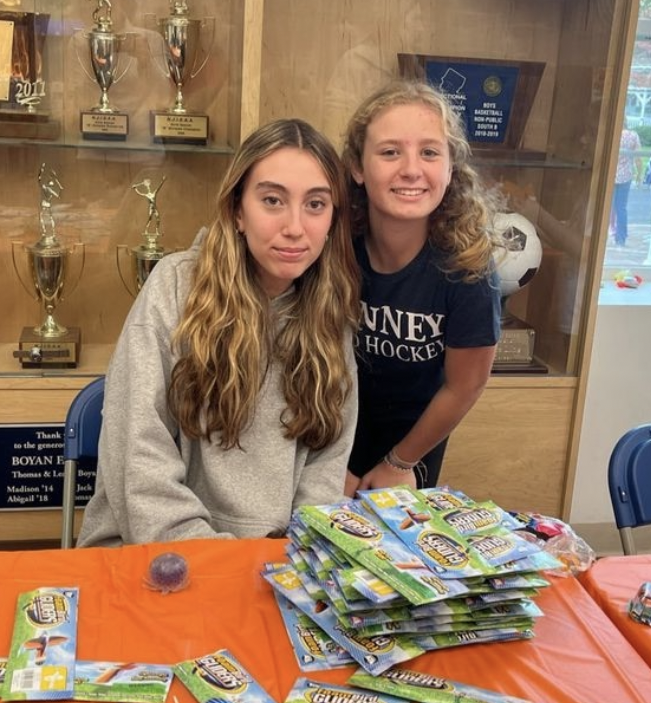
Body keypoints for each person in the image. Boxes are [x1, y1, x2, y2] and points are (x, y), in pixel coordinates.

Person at [77, 118, 361, 547]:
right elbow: (138, 460)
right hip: (152, 548)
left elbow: (326, 468)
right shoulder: (175, 287)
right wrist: (219, 560)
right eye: (272, 200)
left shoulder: (331, 313)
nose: (295, 227)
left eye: (316, 204)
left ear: (332, 218)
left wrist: (298, 553)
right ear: (237, 210)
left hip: (275, 559)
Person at [341, 80, 504, 495]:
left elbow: (465, 384)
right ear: (358, 167)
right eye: (390, 152)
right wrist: (328, 460)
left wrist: (400, 461)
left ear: (450, 169)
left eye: (430, 152)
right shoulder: (332, 245)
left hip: (413, 446)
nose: (411, 169)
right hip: (323, 434)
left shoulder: (468, 267)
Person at [611, 125, 642, 246]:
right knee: (621, 208)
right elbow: (638, 157)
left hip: (611, 174)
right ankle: (621, 237)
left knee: (608, 207)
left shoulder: (613, 134)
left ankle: (608, 232)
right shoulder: (633, 136)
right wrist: (639, 173)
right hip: (626, 176)